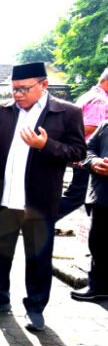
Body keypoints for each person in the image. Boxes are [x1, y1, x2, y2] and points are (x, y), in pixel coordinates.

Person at [0, 62, 86, 332]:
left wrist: (46, 145)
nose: (18, 95)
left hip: (39, 199)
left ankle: (35, 308)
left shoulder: (66, 113)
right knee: (0, 252)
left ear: (43, 85)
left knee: (38, 256)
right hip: (5, 195)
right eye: (14, 89)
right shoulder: (4, 110)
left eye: (24, 89)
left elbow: (78, 152)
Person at [56, 68, 108, 220]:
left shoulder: (90, 95)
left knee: (77, 194)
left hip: (83, 154)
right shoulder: (100, 100)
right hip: (89, 157)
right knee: (77, 196)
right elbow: (90, 125)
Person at [71, 120, 108, 301]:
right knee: (98, 242)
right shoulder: (106, 125)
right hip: (103, 196)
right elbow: (87, 149)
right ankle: (99, 286)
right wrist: (95, 162)